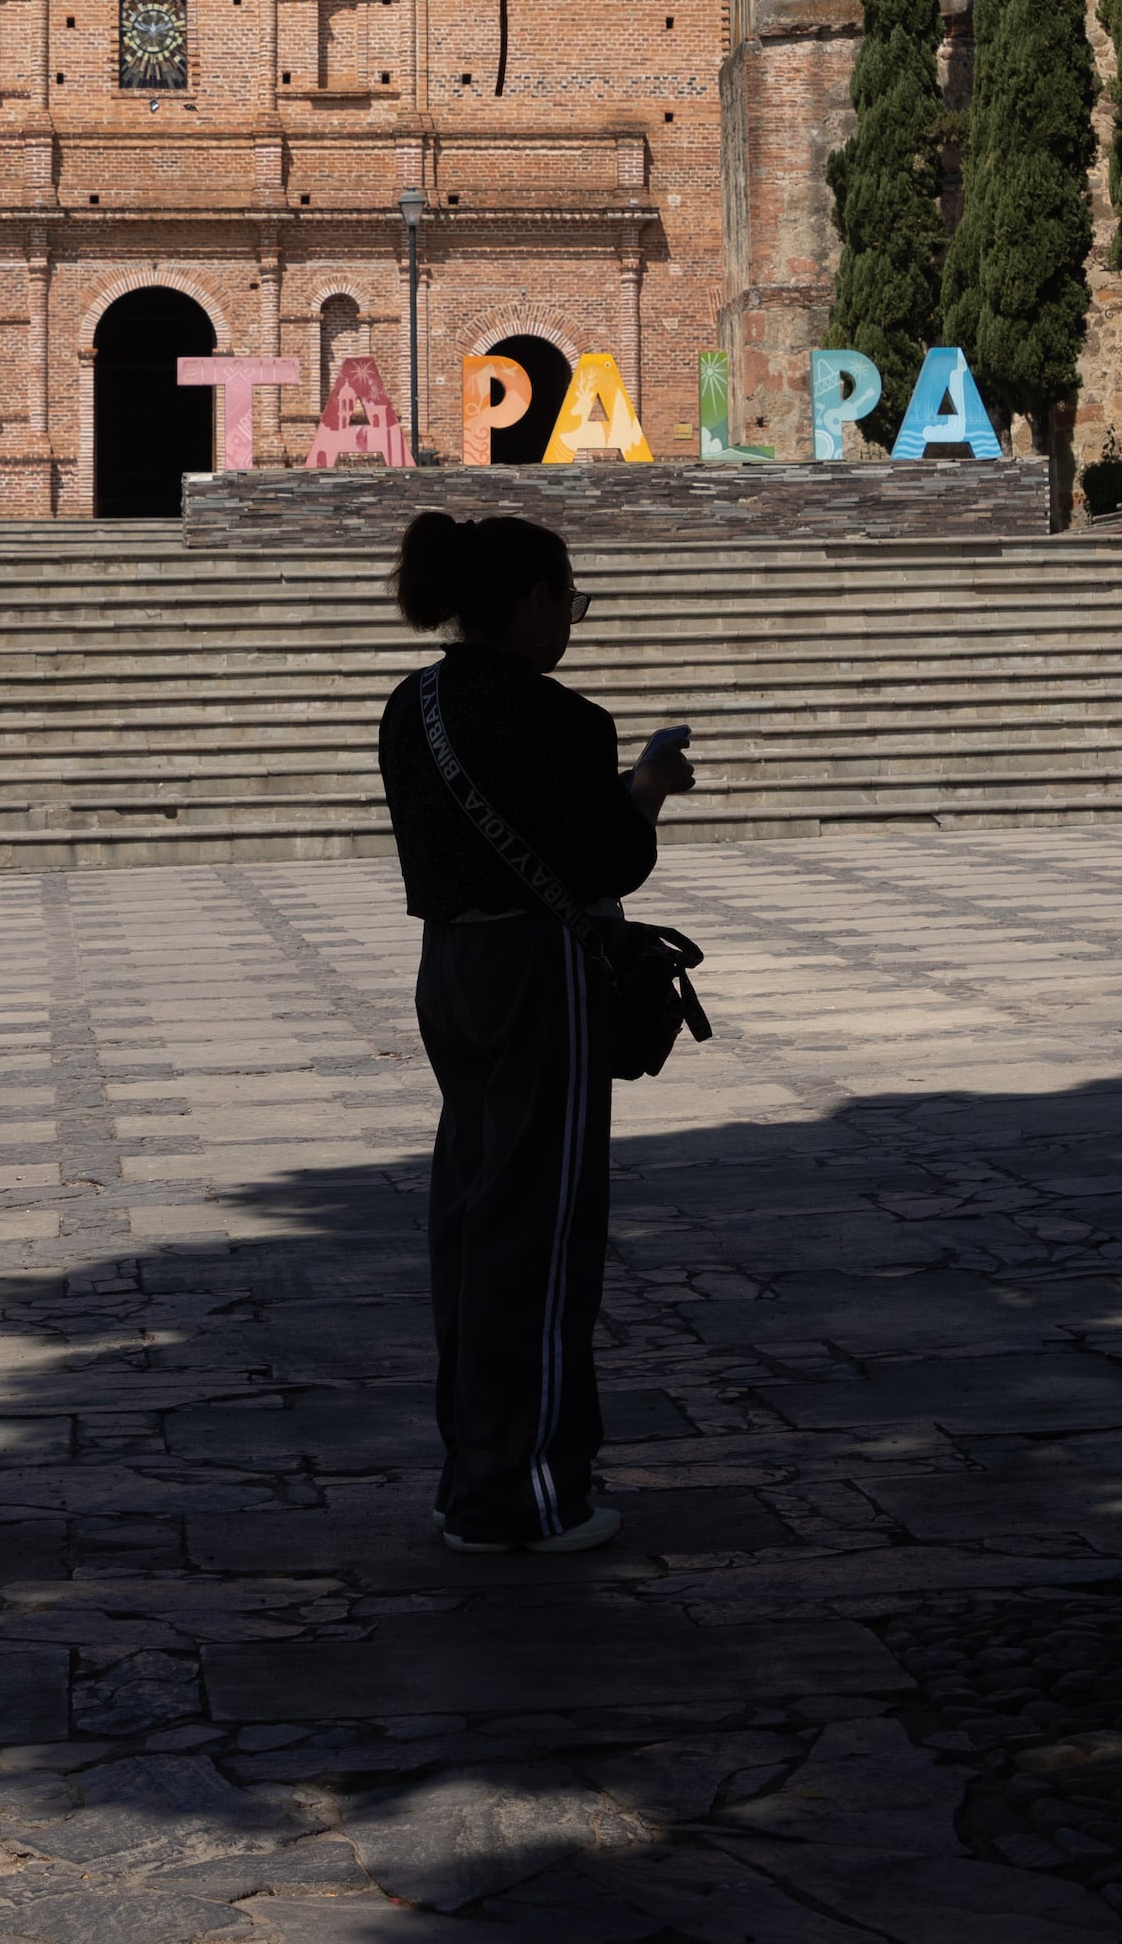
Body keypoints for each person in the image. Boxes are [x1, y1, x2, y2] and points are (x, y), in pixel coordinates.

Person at [375, 509, 695, 1555]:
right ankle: (524, 1491)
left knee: (471, 1214)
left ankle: (471, 1465)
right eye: (567, 598)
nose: (570, 618)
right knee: (543, 1228)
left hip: (449, 969)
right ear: (527, 603)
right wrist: (644, 787)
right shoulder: (559, 716)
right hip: (533, 972)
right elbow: (608, 858)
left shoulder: (409, 702)